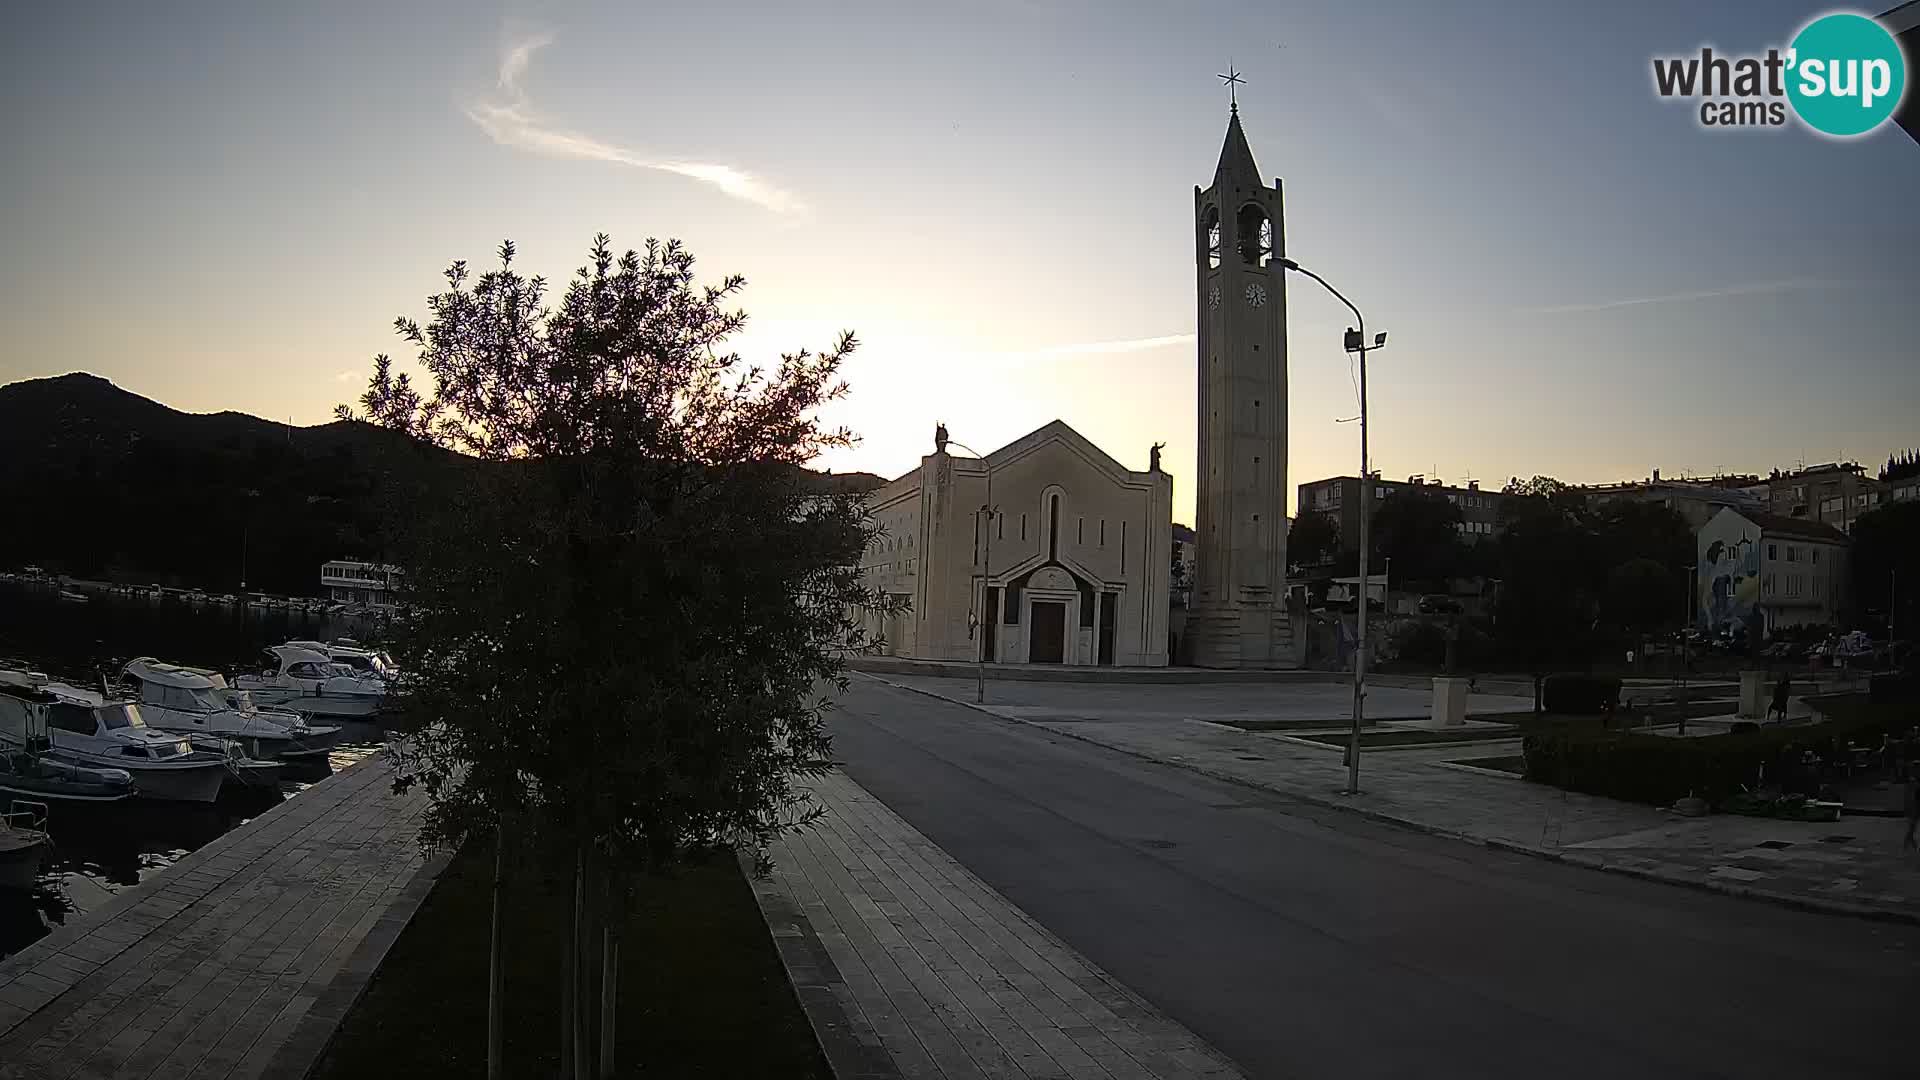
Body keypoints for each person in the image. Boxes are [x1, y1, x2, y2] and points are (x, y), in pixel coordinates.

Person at [1904, 763, 1919, 851]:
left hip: (1915, 804)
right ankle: (1908, 842)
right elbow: (1911, 794)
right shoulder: (1912, 780)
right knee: (1912, 825)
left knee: (1913, 826)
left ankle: (1910, 842)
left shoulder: (1913, 780)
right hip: (1915, 805)